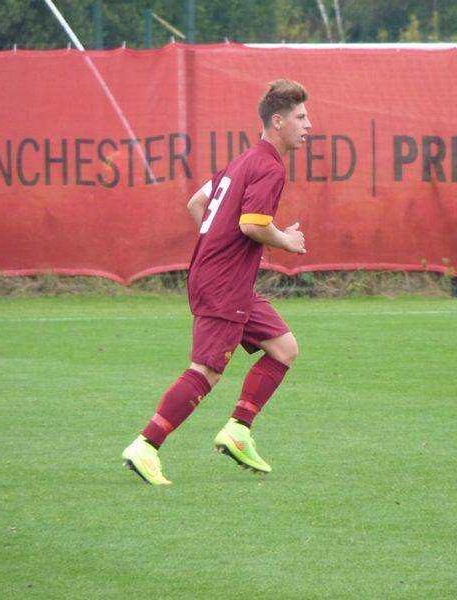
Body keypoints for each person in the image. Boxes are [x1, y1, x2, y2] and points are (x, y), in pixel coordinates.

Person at [122, 79, 311, 484]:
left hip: (226, 280)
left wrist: (219, 247)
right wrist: (286, 241)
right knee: (206, 371)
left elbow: (197, 202)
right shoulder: (269, 166)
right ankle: (146, 445)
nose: (308, 125)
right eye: (300, 117)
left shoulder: (244, 160)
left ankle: (238, 429)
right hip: (224, 284)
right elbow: (252, 225)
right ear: (277, 122)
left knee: (283, 348)